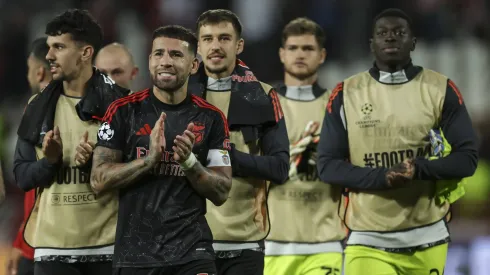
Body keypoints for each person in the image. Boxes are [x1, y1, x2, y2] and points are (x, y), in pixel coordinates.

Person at [317, 8, 478, 275]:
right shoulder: (346, 94)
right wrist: (382, 177)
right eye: (382, 33)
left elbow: (468, 158)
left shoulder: (440, 89)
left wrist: (419, 169)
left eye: (399, 33)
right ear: (372, 44)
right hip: (367, 238)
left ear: (413, 42)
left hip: (427, 237)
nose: (390, 38)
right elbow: (327, 166)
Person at [90, 25, 232, 275]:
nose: (165, 61)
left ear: (194, 65)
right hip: (135, 257)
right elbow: (98, 179)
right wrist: (147, 161)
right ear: (149, 61)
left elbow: (221, 191)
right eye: (159, 54)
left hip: (192, 253)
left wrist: (189, 162)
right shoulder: (122, 112)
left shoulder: (212, 118)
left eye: (176, 55)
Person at [13, 9, 130, 275]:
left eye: (59, 47)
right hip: (52, 250)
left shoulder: (122, 107)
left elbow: (138, 173)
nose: (50, 55)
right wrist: (51, 161)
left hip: (107, 250)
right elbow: (22, 176)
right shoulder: (37, 108)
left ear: (85, 53)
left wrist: (96, 163)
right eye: (50, 47)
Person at [190, 9, 289, 275]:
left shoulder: (264, 95)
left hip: (245, 245)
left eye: (224, 38)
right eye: (208, 39)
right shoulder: (179, 97)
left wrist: (228, 158)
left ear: (239, 45)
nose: (216, 46)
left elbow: (280, 168)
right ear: (197, 47)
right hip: (190, 244)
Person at [264, 17, 345, 275]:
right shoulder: (262, 106)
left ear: (321, 55)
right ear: (281, 54)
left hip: (324, 244)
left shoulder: (338, 108)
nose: (300, 54)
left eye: (308, 49)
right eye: (293, 48)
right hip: (270, 245)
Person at [7, 37, 52, 275]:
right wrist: (20, 241)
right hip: (33, 242)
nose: (27, 76)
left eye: (29, 69)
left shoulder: (41, 111)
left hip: (49, 247)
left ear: (39, 72)